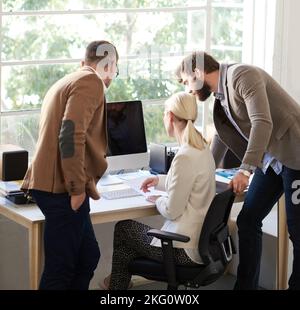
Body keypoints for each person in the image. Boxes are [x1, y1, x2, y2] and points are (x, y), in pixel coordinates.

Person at [176, 51, 300, 290]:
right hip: (271, 161)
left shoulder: (242, 75)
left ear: (198, 73)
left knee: (298, 232)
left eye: (187, 81)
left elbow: (262, 122)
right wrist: (205, 170)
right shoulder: (220, 96)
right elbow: (222, 137)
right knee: (247, 220)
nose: (188, 89)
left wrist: (245, 169)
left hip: (294, 156)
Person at [21, 40, 119, 290]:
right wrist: (76, 189)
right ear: (109, 65)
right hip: (63, 189)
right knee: (61, 267)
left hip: (56, 185)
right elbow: (70, 134)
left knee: (87, 256)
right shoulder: (91, 82)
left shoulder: (70, 79)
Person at [102, 91, 216, 290]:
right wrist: (158, 180)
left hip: (182, 249)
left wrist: (157, 200)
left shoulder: (185, 156)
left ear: (170, 116)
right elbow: (186, 181)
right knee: (125, 253)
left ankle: (113, 288)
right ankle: (114, 287)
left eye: (165, 114)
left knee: (124, 228)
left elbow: (172, 210)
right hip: (200, 245)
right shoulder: (201, 148)